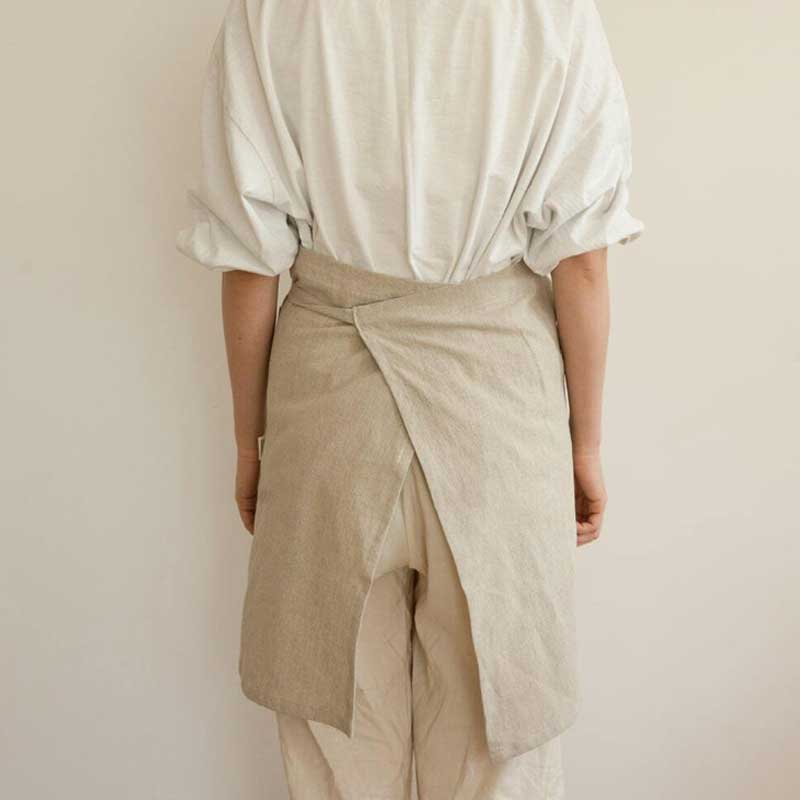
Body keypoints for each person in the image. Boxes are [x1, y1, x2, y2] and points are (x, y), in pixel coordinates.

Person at [176, 0, 643, 796]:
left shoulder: (271, 11)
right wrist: (586, 445)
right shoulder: (551, 12)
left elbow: (251, 263)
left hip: (330, 420)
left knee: (340, 761)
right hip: (498, 419)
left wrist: (249, 445)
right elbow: (583, 264)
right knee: (499, 752)